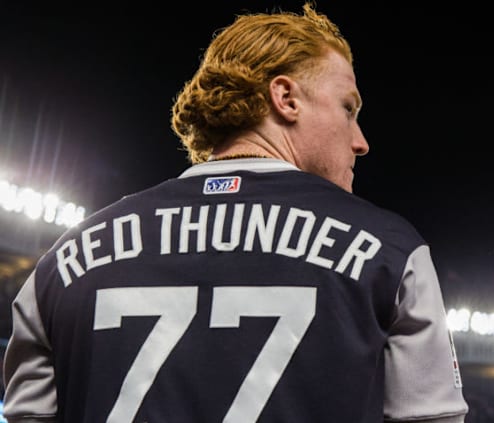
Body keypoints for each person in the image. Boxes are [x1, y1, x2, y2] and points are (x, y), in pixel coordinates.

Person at [2, 3, 469, 422]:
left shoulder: (62, 264)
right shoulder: (390, 251)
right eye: (348, 109)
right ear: (286, 99)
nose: (360, 140)